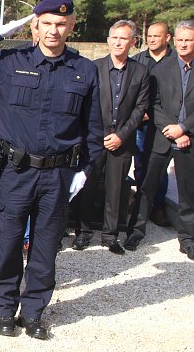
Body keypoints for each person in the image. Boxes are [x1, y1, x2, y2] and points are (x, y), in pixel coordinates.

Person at [0, 0, 103, 340]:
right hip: (17, 171)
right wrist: (0, 32)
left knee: (46, 246)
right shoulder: (10, 61)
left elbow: (93, 125)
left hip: (59, 174)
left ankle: (34, 311)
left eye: (61, 24)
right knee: (7, 244)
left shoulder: (84, 70)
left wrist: (86, 169)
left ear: (71, 27)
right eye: (46, 23)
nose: (54, 30)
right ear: (34, 26)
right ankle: (5, 309)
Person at [69, 20, 149, 254]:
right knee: (88, 186)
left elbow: (140, 108)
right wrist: (96, 134)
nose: (118, 42)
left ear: (132, 42)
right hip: (95, 139)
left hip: (122, 141)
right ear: (108, 40)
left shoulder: (141, 72)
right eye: (114, 37)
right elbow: (86, 104)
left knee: (116, 190)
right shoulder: (93, 67)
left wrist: (121, 136)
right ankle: (83, 232)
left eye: (123, 38)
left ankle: (109, 235)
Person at [128, 20, 194, 259]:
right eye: (181, 39)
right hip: (160, 135)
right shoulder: (161, 69)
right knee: (146, 185)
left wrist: (184, 128)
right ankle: (136, 230)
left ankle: (187, 238)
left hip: (188, 139)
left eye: (189, 40)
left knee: (188, 191)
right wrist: (170, 127)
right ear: (174, 40)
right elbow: (152, 102)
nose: (184, 43)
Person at [131, 21, 175, 229]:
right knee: (140, 164)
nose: (151, 39)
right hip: (141, 123)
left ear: (167, 38)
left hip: (164, 123)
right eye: (149, 36)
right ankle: (140, 203)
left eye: (157, 36)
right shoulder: (138, 60)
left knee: (159, 168)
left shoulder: (176, 60)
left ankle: (158, 206)